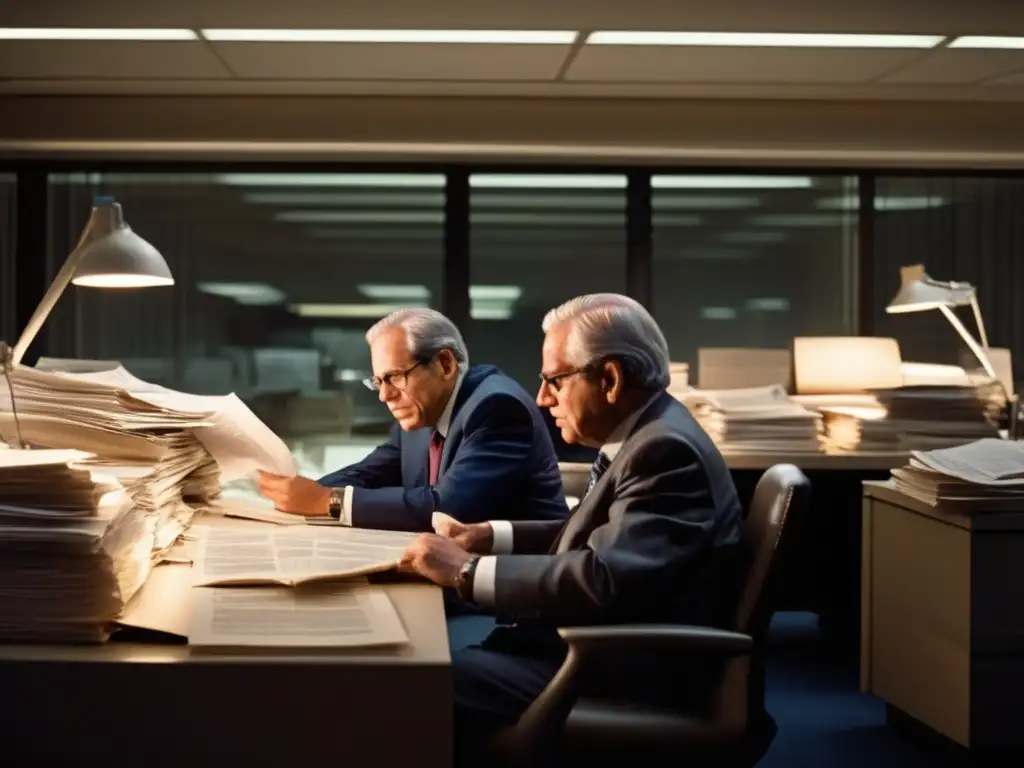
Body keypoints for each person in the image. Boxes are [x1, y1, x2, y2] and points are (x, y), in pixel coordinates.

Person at [399, 293, 746, 755]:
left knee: (402, 686)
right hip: (588, 647)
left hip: (611, 668)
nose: (542, 398)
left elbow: (603, 578)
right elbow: (597, 537)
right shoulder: (650, 430)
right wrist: (487, 537)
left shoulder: (665, 452)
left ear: (610, 378)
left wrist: (466, 571)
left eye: (554, 380)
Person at [258, 307, 567, 531]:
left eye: (394, 377)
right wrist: (301, 493)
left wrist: (329, 501)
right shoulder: (423, 413)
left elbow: (447, 508)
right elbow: (372, 472)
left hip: (509, 601)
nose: (384, 396)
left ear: (444, 364)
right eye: (378, 381)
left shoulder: (497, 408)